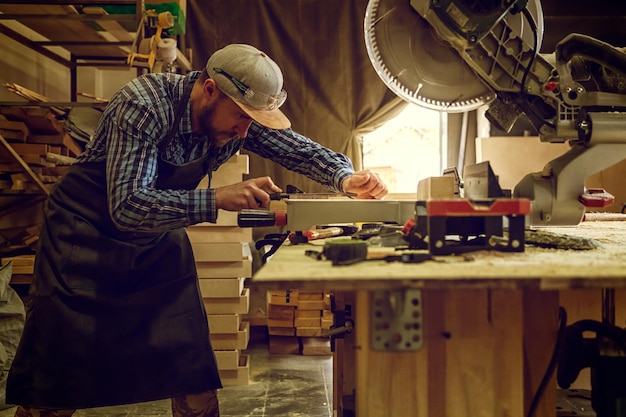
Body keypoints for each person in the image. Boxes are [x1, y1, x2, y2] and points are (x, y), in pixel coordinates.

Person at [6, 43, 388, 417]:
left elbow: (298, 150)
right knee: (58, 368)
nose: (244, 133)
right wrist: (217, 198)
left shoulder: (238, 117)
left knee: (188, 359)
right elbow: (127, 206)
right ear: (209, 89)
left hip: (155, 237)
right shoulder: (144, 105)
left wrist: (346, 177)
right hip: (83, 234)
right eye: (240, 118)